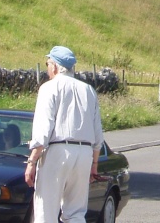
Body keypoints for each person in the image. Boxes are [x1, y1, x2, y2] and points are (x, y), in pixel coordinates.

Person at [25, 46, 104, 223]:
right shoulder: (88, 90)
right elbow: (98, 134)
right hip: (84, 153)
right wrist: (94, 164)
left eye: (47, 64)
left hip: (58, 151)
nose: (47, 68)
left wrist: (32, 161)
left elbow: (43, 131)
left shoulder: (49, 88)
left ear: (54, 66)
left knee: (46, 210)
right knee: (76, 212)